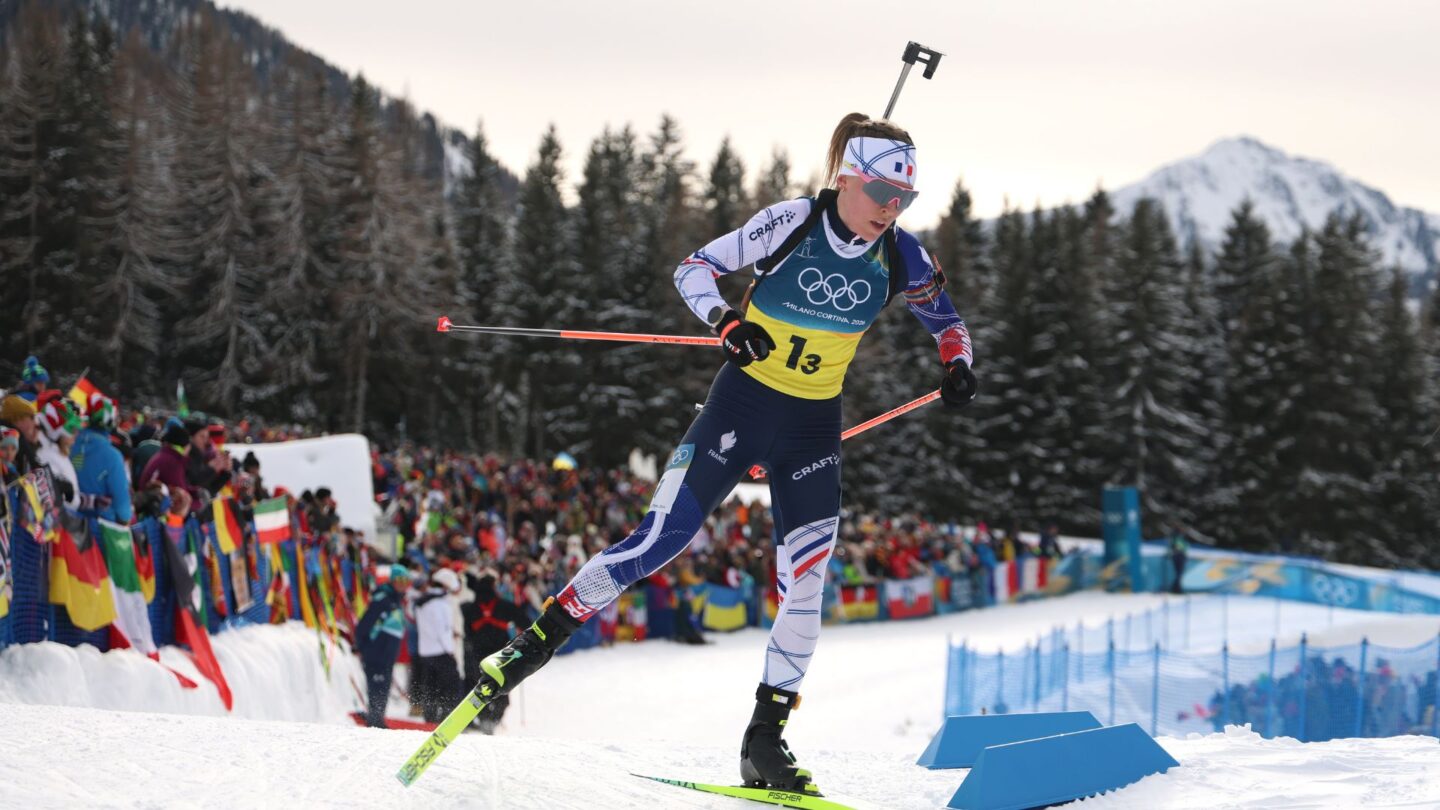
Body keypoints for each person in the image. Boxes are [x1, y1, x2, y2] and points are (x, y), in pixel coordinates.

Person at [464, 113, 977, 795]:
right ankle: (534, 643)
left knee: (808, 583)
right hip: (740, 408)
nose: (892, 207)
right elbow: (695, 267)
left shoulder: (903, 256)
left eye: (904, 197)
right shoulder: (791, 221)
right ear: (848, 177)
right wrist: (726, 323)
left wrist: (958, 363)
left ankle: (765, 740)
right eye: (883, 190)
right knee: (661, 538)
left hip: (811, 431)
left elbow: (948, 323)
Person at [459, 571, 528, 733]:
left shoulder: (468, 608)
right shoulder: (505, 606)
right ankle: (493, 720)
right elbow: (526, 624)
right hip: (501, 657)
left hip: (476, 657)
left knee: (479, 690)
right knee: (502, 692)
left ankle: (483, 719)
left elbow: (464, 633)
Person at [354, 564, 414, 729]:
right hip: (376, 652)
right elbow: (365, 623)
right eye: (399, 580)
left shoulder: (396, 600)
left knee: (384, 685)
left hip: (387, 654)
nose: (403, 584)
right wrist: (361, 645)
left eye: (406, 581)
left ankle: (377, 717)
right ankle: (375, 719)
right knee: (377, 685)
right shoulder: (384, 598)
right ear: (392, 581)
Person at [70, 394, 132, 523]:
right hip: (100, 529)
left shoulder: (69, 445)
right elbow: (124, 510)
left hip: (68, 524)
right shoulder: (112, 456)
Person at [413, 566, 463, 723]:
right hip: (441, 652)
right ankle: (448, 721)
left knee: (431, 689)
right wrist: (450, 650)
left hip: (426, 652)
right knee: (451, 690)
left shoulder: (422, 601)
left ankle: (430, 721)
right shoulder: (441, 603)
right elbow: (443, 630)